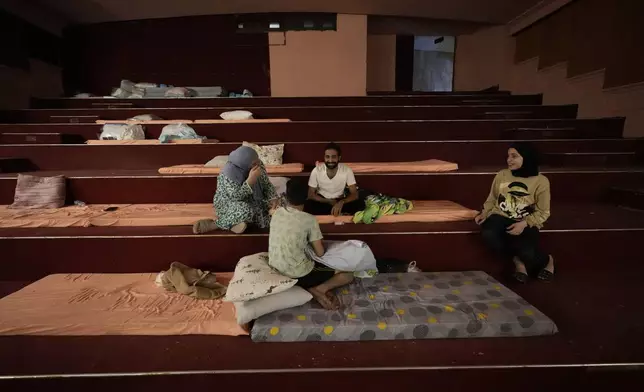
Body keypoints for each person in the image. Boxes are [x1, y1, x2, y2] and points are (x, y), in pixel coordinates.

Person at [474, 142, 555, 283]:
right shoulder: (502, 175)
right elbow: (492, 198)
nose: (509, 160)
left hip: (525, 221)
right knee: (488, 234)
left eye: (514, 156)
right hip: (500, 216)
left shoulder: (541, 181)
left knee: (527, 252)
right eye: (508, 156)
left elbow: (543, 212)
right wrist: (484, 213)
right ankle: (517, 262)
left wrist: (524, 223)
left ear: (527, 158)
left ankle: (548, 260)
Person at [269, 179, 354, 310]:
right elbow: (320, 253)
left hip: (276, 268)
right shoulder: (309, 220)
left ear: (286, 196)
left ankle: (313, 288)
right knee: (348, 273)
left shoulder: (277, 213)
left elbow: (274, 212)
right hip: (299, 274)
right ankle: (319, 289)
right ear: (307, 196)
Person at [193, 146, 277, 234]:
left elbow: (266, 183)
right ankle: (215, 224)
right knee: (246, 210)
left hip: (255, 201)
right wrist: (250, 181)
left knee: (283, 204)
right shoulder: (228, 173)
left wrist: (273, 198)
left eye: (258, 161)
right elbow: (236, 196)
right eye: (254, 163)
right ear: (244, 163)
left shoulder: (257, 164)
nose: (258, 164)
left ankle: (237, 223)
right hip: (231, 204)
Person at [305, 142, 365, 216]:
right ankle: (338, 213)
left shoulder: (347, 170)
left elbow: (354, 194)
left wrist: (341, 202)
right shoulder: (316, 170)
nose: (330, 160)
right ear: (324, 157)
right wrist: (328, 201)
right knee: (308, 205)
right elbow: (310, 194)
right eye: (327, 157)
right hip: (323, 201)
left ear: (339, 158)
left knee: (360, 204)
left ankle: (335, 212)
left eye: (333, 157)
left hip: (340, 201)